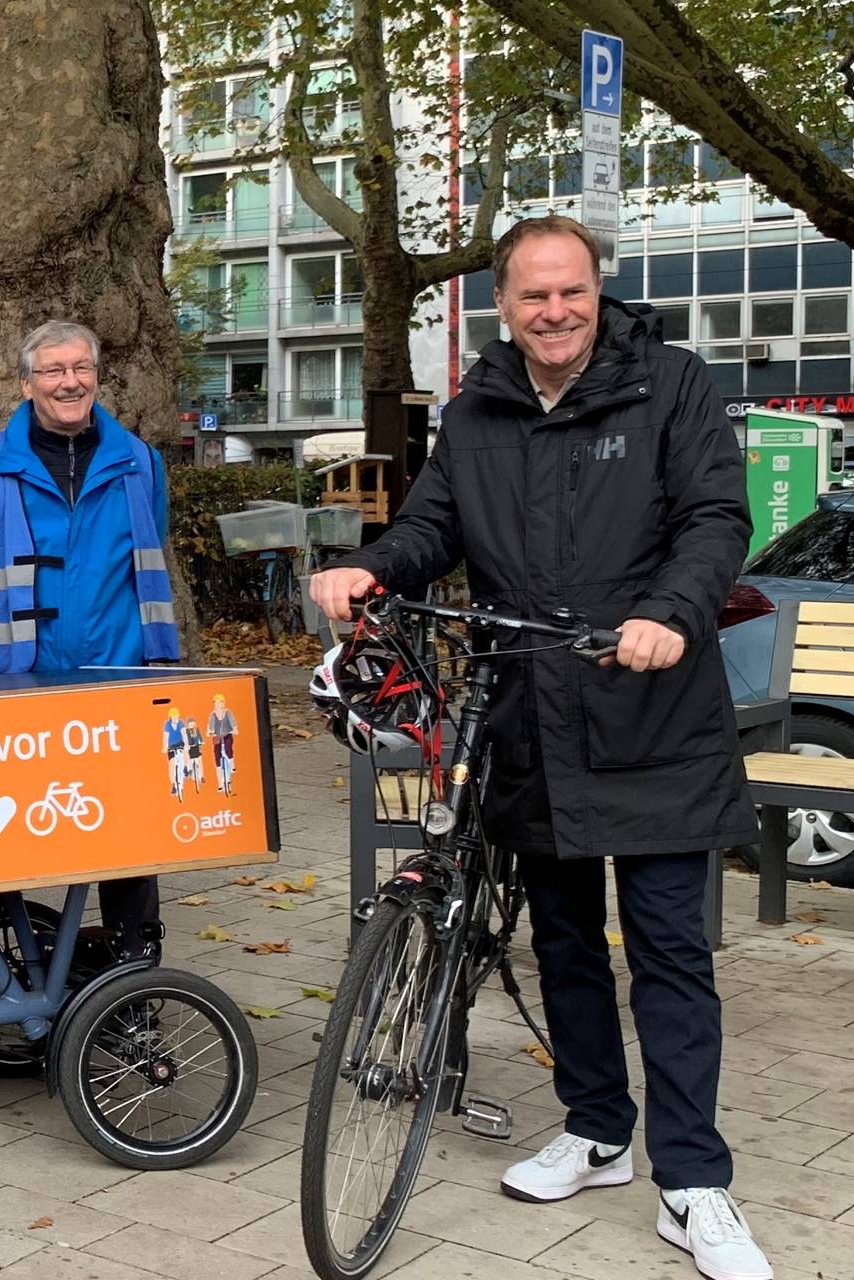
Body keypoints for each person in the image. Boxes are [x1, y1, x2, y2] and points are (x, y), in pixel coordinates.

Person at [309, 214, 766, 1280]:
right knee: (560, 938)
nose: (553, 312)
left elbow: (715, 518)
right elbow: (432, 527)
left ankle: (693, 1179)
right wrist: (372, 568)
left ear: (597, 292)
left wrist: (670, 614)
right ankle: (597, 1127)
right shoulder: (477, 409)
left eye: (571, 292)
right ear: (503, 306)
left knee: (668, 955)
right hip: (530, 715)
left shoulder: (671, 384)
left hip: (652, 712)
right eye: (532, 296)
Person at [0, 320, 185, 959]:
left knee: (129, 836)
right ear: (26, 384)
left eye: (81, 368)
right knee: (0, 834)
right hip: (15, 683)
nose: (69, 382)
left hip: (121, 679)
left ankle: (134, 966)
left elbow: (149, 558)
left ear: (97, 376)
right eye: (53, 370)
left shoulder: (140, 463)